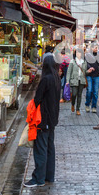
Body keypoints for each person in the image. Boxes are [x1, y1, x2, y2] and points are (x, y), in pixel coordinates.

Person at [23, 55, 61, 188]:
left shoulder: (46, 79)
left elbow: (38, 98)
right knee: (50, 148)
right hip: (52, 119)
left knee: (41, 149)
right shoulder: (57, 78)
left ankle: (38, 179)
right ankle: (49, 176)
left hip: (43, 119)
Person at [66, 47, 89, 115]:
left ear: (81, 54)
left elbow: (84, 72)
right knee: (74, 94)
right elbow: (69, 72)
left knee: (79, 95)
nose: (77, 54)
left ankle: (78, 109)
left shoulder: (84, 62)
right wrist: (67, 80)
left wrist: (88, 71)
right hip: (74, 80)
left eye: (79, 52)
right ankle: (73, 104)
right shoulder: (72, 61)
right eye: (76, 53)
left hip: (81, 80)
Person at [84, 44, 99, 113]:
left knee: (95, 92)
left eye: (97, 48)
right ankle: (87, 104)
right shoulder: (88, 55)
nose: (96, 49)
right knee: (89, 90)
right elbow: (86, 63)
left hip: (96, 76)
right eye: (95, 48)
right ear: (91, 48)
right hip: (89, 75)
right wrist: (89, 67)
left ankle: (94, 106)